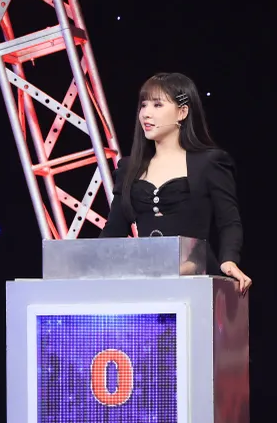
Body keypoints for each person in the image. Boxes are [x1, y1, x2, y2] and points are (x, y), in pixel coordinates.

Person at [100, 72, 252, 294]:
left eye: (157, 105)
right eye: (143, 105)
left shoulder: (209, 162)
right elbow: (114, 230)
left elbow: (229, 221)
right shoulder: (129, 167)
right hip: (146, 281)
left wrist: (229, 260)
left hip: (195, 279)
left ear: (182, 112)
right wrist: (89, 265)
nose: (146, 113)